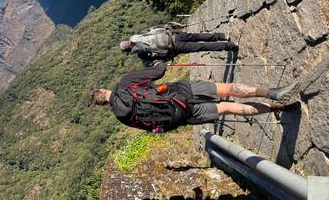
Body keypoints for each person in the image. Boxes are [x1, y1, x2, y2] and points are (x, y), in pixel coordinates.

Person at [90, 62, 297, 133]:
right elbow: (159, 71)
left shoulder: (121, 117)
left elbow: (152, 128)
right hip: (180, 92)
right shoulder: (125, 83)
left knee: (225, 108)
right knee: (226, 89)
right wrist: (158, 64)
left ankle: (274, 108)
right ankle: (272, 93)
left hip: (180, 115)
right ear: (104, 89)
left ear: (102, 104)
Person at [120, 22, 238, 63]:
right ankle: (222, 36)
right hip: (174, 34)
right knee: (197, 36)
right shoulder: (139, 35)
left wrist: (173, 54)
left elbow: (160, 58)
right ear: (128, 41)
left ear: (129, 51)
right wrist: (174, 26)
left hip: (176, 47)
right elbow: (156, 27)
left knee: (201, 47)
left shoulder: (141, 54)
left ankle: (230, 46)